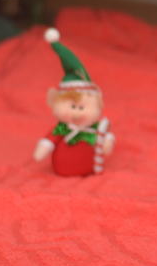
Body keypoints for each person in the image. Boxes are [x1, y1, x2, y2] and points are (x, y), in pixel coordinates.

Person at [33, 28, 115, 176]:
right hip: (62, 168)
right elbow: (49, 141)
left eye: (81, 107)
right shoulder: (62, 129)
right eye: (72, 106)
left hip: (90, 167)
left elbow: (104, 139)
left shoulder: (96, 129)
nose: (77, 112)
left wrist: (107, 141)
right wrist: (43, 148)